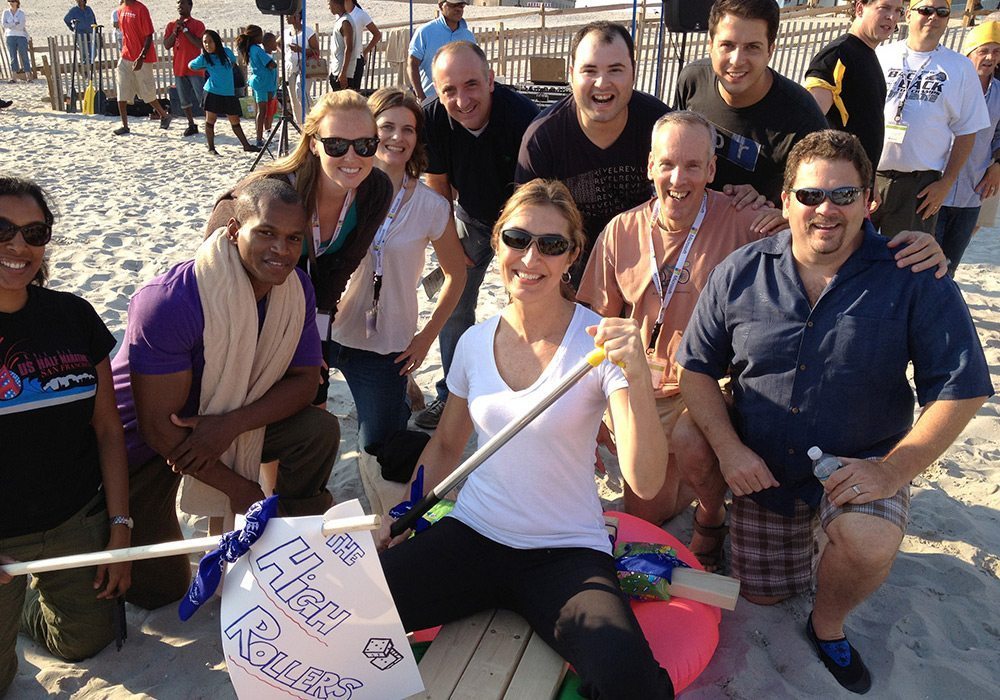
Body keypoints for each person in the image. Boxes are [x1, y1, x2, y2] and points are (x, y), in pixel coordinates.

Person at [676, 130, 993, 694]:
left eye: (844, 196)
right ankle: (726, 521)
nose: (826, 210)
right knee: (760, 590)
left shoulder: (913, 272)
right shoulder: (741, 271)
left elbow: (961, 388)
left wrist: (890, 472)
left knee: (867, 541)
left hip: (859, 464)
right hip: (762, 469)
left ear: (870, 200)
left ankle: (828, 626)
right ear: (784, 199)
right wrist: (730, 449)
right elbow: (696, 368)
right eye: (810, 196)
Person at [577, 112, 947, 562]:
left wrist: (917, 244)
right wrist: (588, 416)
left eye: (694, 165)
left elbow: (822, 229)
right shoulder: (620, 231)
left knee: (662, 487)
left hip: (698, 388)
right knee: (644, 505)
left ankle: (710, 510)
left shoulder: (749, 219)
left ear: (713, 170)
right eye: (668, 164)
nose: (679, 178)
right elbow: (590, 328)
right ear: (649, 166)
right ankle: (698, 495)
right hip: (636, 385)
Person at [378, 178, 675, 700]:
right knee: (356, 609)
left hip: (565, 552)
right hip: (474, 532)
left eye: (551, 244)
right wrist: (406, 512)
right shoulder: (472, 342)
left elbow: (646, 480)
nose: (530, 256)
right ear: (497, 244)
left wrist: (638, 380)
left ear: (571, 256)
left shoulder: (601, 345)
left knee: (631, 683)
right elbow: (447, 445)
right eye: (517, 239)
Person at [112, 178, 339, 610]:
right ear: (235, 229)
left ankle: (287, 544)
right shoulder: (170, 301)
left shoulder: (296, 291)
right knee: (160, 591)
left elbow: (305, 382)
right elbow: (158, 428)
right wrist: (239, 488)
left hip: (222, 423)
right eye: (266, 233)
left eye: (294, 238)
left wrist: (230, 424)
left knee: (317, 430)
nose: (281, 250)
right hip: (145, 448)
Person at [0, 176, 131, 694]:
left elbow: (107, 428)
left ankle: (30, 602)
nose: (17, 246)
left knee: (83, 642)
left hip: (76, 517)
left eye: (34, 232)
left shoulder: (73, 315)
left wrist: (120, 528)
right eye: (2, 230)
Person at [206, 90, 394, 407]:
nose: (352, 157)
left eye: (365, 145)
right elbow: (217, 255)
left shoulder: (375, 189)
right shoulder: (274, 191)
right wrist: (274, 338)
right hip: (242, 306)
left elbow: (337, 275)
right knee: (254, 414)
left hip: (309, 306)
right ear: (313, 144)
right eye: (336, 144)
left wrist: (312, 341)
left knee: (313, 388)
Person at [327, 88, 466, 514]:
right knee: (307, 425)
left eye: (408, 129)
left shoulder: (430, 205)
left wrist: (426, 338)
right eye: (386, 126)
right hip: (327, 331)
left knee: (379, 446)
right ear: (370, 132)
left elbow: (456, 275)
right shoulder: (342, 185)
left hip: (386, 344)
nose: (397, 137)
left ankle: (402, 392)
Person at [413, 41, 539, 429]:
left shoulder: (523, 117)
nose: (462, 99)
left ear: (490, 80)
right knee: (454, 304)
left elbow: (534, 193)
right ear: (436, 90)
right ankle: (450, 396)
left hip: (522, 222)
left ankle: (525, 393)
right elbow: (438, 186)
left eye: (471, 85)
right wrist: (450, 244)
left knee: (527, 308)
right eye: (449, 89)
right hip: (470, 217)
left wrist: (512, 244)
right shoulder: (433, 118)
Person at [516, 21, 669, 280]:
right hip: (571, 265)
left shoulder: (660, 126)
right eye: (590, 70)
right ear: (572, 74)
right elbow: (527, 222)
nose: (602, 83)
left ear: (633, 71)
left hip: (648, 261)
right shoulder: (543, 137)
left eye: (615, 70)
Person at [674, 0, 828, 204]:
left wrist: (773, 208)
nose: (737, 60)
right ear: (710, 45)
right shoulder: (692, 82)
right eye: (727, 45)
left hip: (759, 233)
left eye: (752, 47)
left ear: (770, 50)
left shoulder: (802, 118)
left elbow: (820, 198)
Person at [873, 0, 989, 237]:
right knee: (855, 256)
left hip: (920, 185)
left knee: (906, 263)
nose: (933, 17)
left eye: (942, 12)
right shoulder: (880, 55)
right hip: (871, 175)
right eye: (925, 10)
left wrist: (946, 183)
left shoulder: (960, 67)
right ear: (908, 14)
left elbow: (967, 132)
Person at [804, 0, 904, 178]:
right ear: (859, 8)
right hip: (835, 183)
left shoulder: (868, 54)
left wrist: (869, 181)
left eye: (898, 10)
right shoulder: (838, 54)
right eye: (885, 8)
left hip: (858, 182)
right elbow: (808, 124)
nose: (892, 17)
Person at [935, 21, 1000, 276]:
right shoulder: (948, 85)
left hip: (973, 193)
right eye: (983, 50)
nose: (989, 57)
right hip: (935, 188)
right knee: (928, 261)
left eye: (996, 51)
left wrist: (998, 163)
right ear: (969, 52)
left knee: (950, 265)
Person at [188, 30, 260, 154]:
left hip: (228, 93)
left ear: (216, 41)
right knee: (210, 121)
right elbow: (191, 65)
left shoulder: (226, 52)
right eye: (204, 42)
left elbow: (233, 62)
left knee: (235, 121)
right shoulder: (205, 58)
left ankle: (246, 146)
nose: (207, 45)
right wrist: (204, 67)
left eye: (210, 41)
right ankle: (211, 148)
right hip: (212, 92)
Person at [114, 0, 171, 136]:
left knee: (147, 92)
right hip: (126, 55)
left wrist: (141, 56)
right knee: (121, 91)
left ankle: (163, 115)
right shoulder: (120, 9)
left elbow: (148, 36)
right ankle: (125, 125)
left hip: (142, 58)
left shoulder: (141, 9)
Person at [407, 0, 475, 101]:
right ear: (440, 6)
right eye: (453, 5)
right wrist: (421, 96)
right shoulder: (425, 32)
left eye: (462, 5)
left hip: (460, 101)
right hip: (430, 99)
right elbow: (412, 64)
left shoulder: (468, 36)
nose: (458, 9)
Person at [164, 0, 206, 138]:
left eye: (183, 4)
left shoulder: (198, 24)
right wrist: (175, 31)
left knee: (202, 98)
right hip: (179, 67)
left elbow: (200, 44)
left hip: (195, 68)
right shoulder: (171, 25)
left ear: (190, 6)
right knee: (184, 100)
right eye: (178, 4)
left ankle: (208, 124)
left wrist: (186, 30)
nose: (180, 6)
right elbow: (167, 45)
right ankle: (191, 124)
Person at [238, 24, 276, 147]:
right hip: (262, 82)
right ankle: (259, 139)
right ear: (255, 37)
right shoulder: (257, 50)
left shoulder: (251, 49)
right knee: (262, 111)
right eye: (260, 35)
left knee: (261, 111)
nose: (262, 37)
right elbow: (270, 64)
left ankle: (260, 136)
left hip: (260, 82)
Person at [282, 11, 319, 125]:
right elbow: (278, 43)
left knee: (301, 93)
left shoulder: (308, 32)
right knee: (293, 98)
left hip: (304, 66)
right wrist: (286, 53)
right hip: (290, 67)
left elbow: (316, 51)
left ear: (297, 16)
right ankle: (300, 126)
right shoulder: (286, 32)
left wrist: (300, 49)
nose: (286, 17)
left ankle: (312, 121)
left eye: (289, 15)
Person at [346, 0, 380, 89]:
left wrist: (365, 52)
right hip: (343, 58)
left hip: (356, 58)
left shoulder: (360, 14)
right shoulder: (340, 14)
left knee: (353, 93)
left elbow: (377, 35)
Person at [327, 0, 356, 92]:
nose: (329, 7)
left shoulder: (345, 22)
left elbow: (349, 48)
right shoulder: (340, 20)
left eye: (329, 4)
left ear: (336, 4)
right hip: (336, 68)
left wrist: (343, 73)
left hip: (342, 71)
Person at [2, 0, 31, 82]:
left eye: (13, 1)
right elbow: (4, 24)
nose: (11, 3)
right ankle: (14, 77)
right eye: (9, 1)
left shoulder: (21, 13)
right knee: (12, 56)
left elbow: (21, 25)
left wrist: (10, 25)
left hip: (21, 36)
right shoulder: (6, 12)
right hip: (10, 36)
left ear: (17, 2)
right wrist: (15, 24)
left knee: (24, 55)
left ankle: (28, 76)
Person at [64, 0, 97, 66]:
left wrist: (96, 31)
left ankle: (90, 66)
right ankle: (85, 69)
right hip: (80, 35)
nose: (80, 1)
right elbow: (66, 19)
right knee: (84, 53)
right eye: (79, 0)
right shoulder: (74, 10)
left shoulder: (89, 9)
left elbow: (94, 20)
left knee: (93, 53)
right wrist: (72, 28)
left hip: (90, 34)